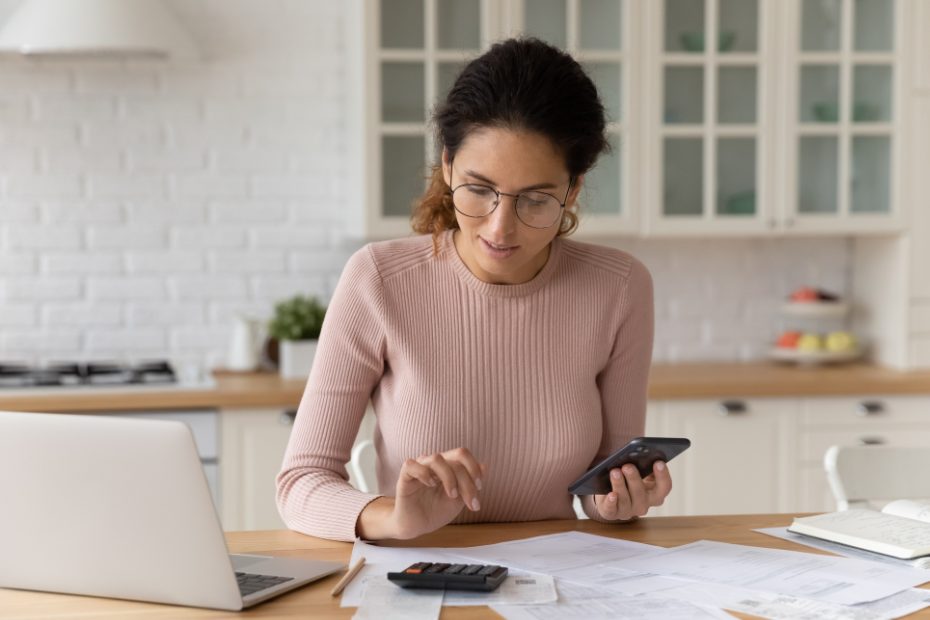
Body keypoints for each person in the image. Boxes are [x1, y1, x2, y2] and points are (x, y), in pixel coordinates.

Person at [276, 37, 671, 543]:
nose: (500, 228)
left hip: (559, 580)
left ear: (573, 189)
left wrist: (618, 500)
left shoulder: (619, 288)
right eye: (479, 189)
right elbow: (300, 483)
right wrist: (391, 518)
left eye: (535, 199)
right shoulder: (378, 279)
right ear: (446, 165)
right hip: (417, 577)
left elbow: (604, 482)